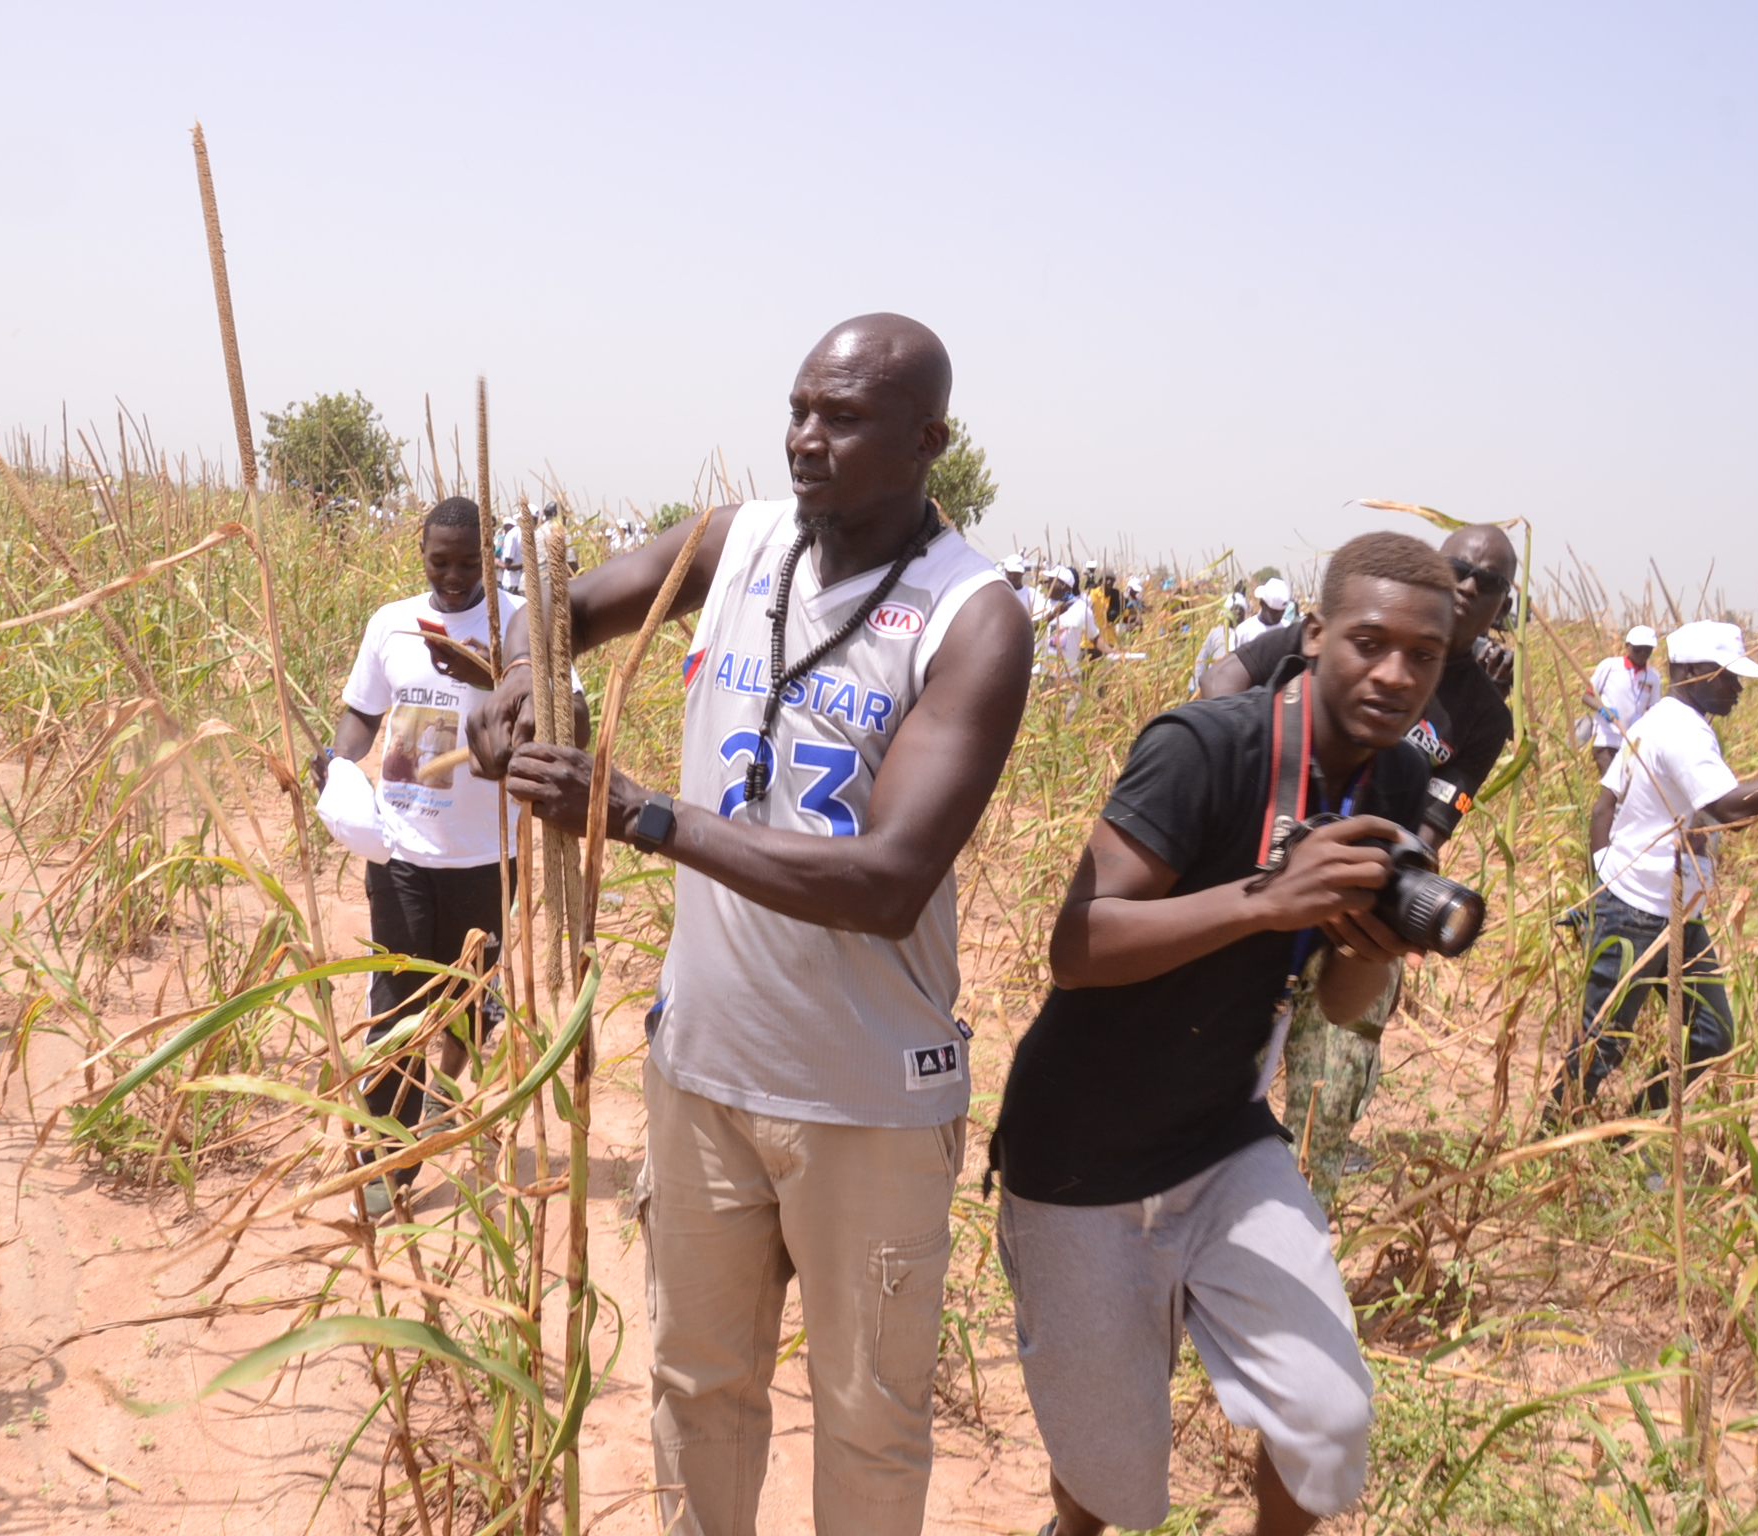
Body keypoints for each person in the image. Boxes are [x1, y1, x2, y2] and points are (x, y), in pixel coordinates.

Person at [468, 313, 1033, 1536]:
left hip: (865, 1105)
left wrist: (640, 817)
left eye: (845, 419)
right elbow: (565, 614)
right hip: (703, 1076)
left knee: (869, 1422)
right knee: (696, 1387)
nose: (806, 440)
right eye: (798, 410)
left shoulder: (971, 617)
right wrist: (530, 686)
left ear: (930, 439)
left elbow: (887, 880)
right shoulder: (739, 541)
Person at [993, 532, 1462, 1536]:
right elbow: (1075, 943)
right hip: (1081, 1153)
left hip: (1220, 1139)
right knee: (1107, 1481)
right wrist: (1263, 900)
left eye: (1423, 655)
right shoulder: (1207, 746)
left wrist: (1375, 942)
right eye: (1370, 643)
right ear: (1317, 632)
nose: (1395, 674)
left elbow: (1338, 1003)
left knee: (1326, 1424)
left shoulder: (1384, 792)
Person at [1202, 522, 1518, 1208]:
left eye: (1487, 581)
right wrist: (1235, 768)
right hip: (1260, 880)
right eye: (1457, 567)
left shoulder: (1485, 714)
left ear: (1504, 602)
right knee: (1217, 1081)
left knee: (1330, 1095)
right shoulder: (1354, 623)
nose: (1468, 585)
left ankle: (1299, 1217)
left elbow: (1433, 823)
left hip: (1362, 910)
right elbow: (1229, 674)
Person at [317, 496, 560, 1216]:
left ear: (491, 558)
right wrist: (336, 760)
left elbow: (560, 708)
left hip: (487, 857)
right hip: (399, 852)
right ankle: (386, 1163)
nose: (454, 577)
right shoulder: (390, 623)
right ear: (420, 555)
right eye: (439, 561)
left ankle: (444, 1097)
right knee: (395, 1009)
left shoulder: (517, 627)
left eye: (468, 562)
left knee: (465, 1001)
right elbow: (363, 711)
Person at [1551, 622, 1758, 1121]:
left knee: (1710, 1034)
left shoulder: (1662, 718)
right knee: (1601, 1045)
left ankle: (1632, 1130)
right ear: (1691, 672)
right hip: (1639, 915)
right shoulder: (1681, 731)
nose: (1737, 688)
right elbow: (1734, 812)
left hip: (1670, 912)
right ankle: (1550, 1140)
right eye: (1728, 677)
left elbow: (1605, 806)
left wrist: (1604, 875)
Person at [1584, 624, 1660, 775]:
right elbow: (1587, 696)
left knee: (1627, 790)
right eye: (1638, 649)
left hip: (1633, 742)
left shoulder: (1653, 676)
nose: (1643, 654)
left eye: (1648, 650)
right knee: (1612, 786)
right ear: (1627, 646)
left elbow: (1653, 710)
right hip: (1607, 738)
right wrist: (1603, 709)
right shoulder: (1610, 666)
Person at [1235, 576, 1290, 645]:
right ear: (1262, 603)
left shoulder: (1289, 630)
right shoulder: (1244, 631)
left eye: (1282, 611)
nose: (1279, 615)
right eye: (1274, 612)